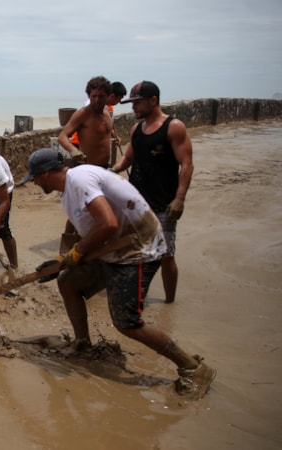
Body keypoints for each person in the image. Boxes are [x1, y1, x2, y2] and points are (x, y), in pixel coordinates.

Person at [21, 147, 215, 400]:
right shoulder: (68, 192)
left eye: (34, 177)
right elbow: (90, 231)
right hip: (114, 250)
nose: (33, 183)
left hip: (138, 251)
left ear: (45, 174)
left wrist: (76, 254)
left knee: (127, 323)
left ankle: (193, 367)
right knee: (68, 282)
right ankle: (82, 344)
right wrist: (62, 262)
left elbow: (109, 224)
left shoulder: (79, 179)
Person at [112, 81, 193, 304]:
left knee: (166, 255)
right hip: (138, 204)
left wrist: (179, 198)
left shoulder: (173, 127)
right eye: (132, 103)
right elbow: (128, 158)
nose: (133, 108)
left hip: (164, 203)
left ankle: (169, 302)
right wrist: (111, 172)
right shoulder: (137, 129)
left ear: (153, 100)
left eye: (137, 103)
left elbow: (186, 164)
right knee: (135, 251)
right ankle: (136, 294)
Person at [59, 76, 117, 168]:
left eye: (101, 96)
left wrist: (116, 136)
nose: (97, 100)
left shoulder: (107, 111)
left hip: (104, 166)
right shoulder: (83, 114)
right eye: (94, 96)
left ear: (108, 96)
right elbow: (62, 136)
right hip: (87, 167)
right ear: (89, 96)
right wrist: (73, 150)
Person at [70, 81, 127, 150]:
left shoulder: (110, 108)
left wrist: (116, 136)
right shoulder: (91, 104)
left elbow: (109, 125)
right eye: (119, 99)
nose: (119, 102)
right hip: (81, 142)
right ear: (113, 96)